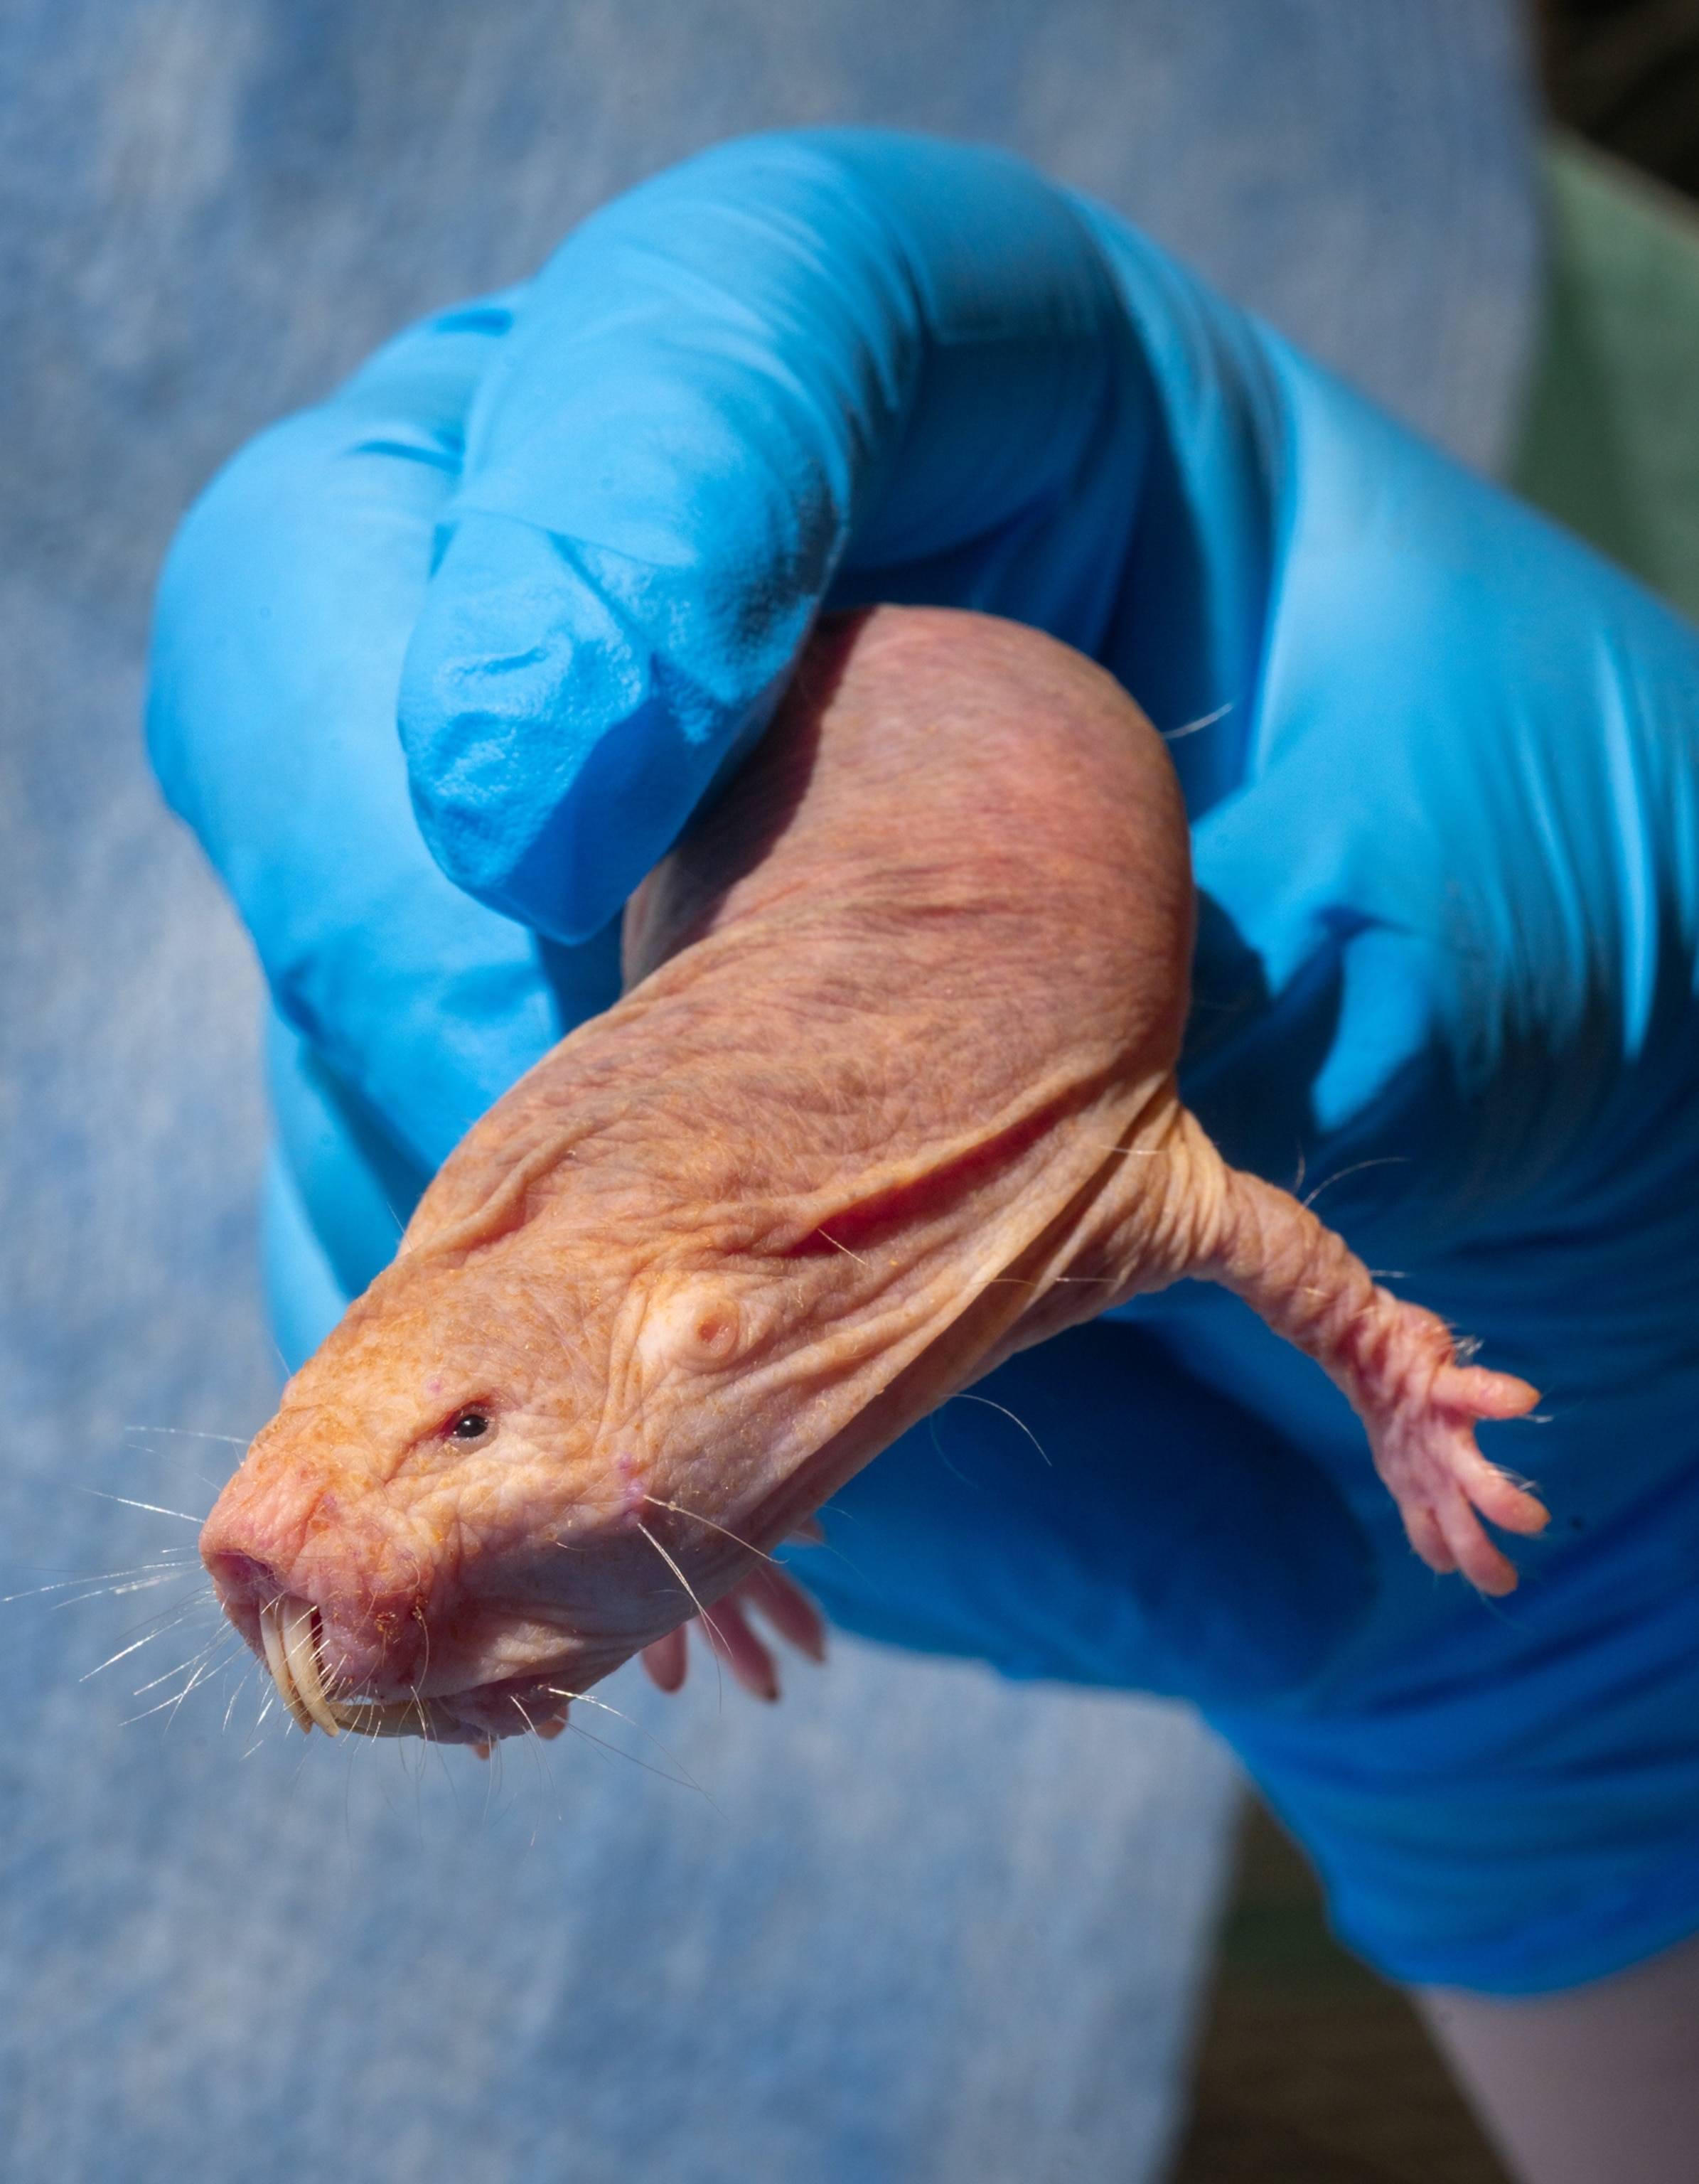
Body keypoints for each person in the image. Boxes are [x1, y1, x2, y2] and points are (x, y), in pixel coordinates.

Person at [147, 130, 1699, 2183]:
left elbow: (1226, 1215)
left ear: (708, 1318)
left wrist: (1405, 1388)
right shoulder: (728, 1296)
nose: (294, 1558)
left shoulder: (1049, 1174)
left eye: (462, 1437)